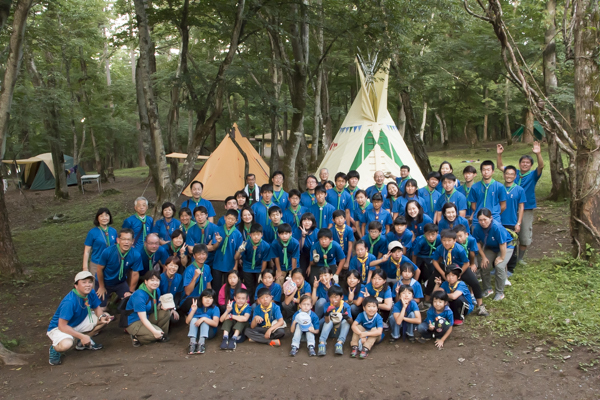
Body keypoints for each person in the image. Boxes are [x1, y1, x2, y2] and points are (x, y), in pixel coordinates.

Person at [47, 271, 113, 365]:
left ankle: (81, 344)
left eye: (90, 282)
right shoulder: (69, 302)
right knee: (66, 344)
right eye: (84, 282)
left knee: (105, 318)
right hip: (59, 328)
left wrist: (102, 317)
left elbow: (97, 308)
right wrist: (82, 336)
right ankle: (54, 349)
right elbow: (62, 326)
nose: (88, 285)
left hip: (78, 321)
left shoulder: (91, 292)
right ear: (76, 285)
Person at [497, 141, 544, 264]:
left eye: (528, 163)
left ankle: (520, 258)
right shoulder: (514, 173)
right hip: (510, 207)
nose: (525, 164)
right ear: (519, 164)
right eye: (523, 162)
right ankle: (507, 255)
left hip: (526, 207)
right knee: (507, 230)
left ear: (530, 165)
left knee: (524, 232)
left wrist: (538, 154)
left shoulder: (533, 175)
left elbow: (541, 167)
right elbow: (500, 166)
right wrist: (499, 154)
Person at [472, 208, 514, 301]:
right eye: (480, 220)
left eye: (485, 219)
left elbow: (503, 244)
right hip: (491, 247)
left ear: (491, 218)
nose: (483, 222)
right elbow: (478, 243)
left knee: (499, 266)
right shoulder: (477, 228)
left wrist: (501, 257)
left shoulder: (497, 227)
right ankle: (488, 289)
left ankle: (500, 292)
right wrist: (483, 257)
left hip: (506, 247)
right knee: (484, 264)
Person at [96, 229, 143, 309]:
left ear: (133, 241)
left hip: (120, 282)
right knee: (101, 308)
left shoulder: (136, 255)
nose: (126, 242)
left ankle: (124, 318)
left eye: (129, 239)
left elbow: (135, 274)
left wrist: (130, 291)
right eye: (123, 239)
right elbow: (99, 269)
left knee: (129, 302)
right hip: (105, 281)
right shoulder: (108, 252)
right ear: (118, 240)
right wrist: (101, 286)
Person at [125, 270, 171, 347]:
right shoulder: (139, 295)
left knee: (166, 313)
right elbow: (142, 318)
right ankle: (137, 337)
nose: (155, 283)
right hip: (135, 321)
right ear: (146, 281)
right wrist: (154, 332)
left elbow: (155, 305)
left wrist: (161, 307)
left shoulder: (156, 290)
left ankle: (161, 335)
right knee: (154, 334)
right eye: (152, 280)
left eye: (157, 280)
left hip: (148, 316)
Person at [207, 209, 243, 294]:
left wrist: (235, 266)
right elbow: (214, 247)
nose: (230, 221)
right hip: (217, 263)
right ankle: (216, 304)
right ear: (225, 218)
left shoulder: (237, 234)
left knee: (228, 287)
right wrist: (218, 242)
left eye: (233, 219)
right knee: (216, 286)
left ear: (236, 221)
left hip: (230, 264)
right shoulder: (218, 230)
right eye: (228, 218)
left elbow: (237, 252)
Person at [500, 165, 527, 276]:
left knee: (511, 245)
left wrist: (518, 223)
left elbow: (521, 207)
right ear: (504, 175)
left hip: (512, 221)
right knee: (500, 244)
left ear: (515, 176)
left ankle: (510, 268)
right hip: (500, 221)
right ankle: (500, 265)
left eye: (512, 174)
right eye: (507, 173)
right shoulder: (500, 188)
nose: (509, 176)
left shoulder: (519, 190)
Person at [236, 223, 270, 303]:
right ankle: (249, 305)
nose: (256, 237)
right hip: (247, 268)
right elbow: (236, 258)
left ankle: (257, 304)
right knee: (249, 287)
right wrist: (239, 251)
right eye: (254, 234)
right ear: (250, 235)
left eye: (258, 234)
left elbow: (265, 261)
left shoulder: (266, 246)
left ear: (262, 234)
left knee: (258, 287)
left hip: (259, 268)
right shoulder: (246, 243)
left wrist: (262, 273)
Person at [468, 160, 507, 225]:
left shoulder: (499, 186)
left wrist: (494, 213)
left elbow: (503, 206)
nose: (486, 172)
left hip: (494, 219)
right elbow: (473, 206)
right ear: (481, 171)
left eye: (488, 170)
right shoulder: (474, 187)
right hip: (478, 220)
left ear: (493, 171)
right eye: (484, 170)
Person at [318, 285, 353, 356]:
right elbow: (327, 321)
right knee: (329, 321)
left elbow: (351, 322)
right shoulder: (327, 305)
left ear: (341, 297)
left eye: (336, 297)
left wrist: (347, 317)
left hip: (339, 330)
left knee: (345, 322)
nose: (333, 299)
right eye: (331, 297)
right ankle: (322, 343)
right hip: (329, 331)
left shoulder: (345, 306)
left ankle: (340, 343)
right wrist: (327, 313)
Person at [180, 244, 213, 315]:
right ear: (194, 256)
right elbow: (187, 292)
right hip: (188, 300)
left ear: (207, 255)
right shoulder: (189, 270)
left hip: (202, 298)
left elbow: (208, 287)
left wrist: (210, 298)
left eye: (203, 254)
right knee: (200, 302)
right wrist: (195, 277)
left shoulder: (207, 267)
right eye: (199, 254)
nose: (201, 257)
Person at [83, 208, 117, 275]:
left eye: (106, 215)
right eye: (101, 216)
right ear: (97, 218)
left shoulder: (113, 231)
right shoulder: (92, 232)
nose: (104, 218)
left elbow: (116, 247)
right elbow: (87, 251)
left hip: (111, 264)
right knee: (96, 284)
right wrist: (85, 268)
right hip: (97, 264)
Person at [185, 289, 220, 354]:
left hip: (209, 332)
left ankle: (201, 343)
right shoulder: (196, 306)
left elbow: (215, 323)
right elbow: (187, 321)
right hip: (196, 331)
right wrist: (192, 311)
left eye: (210, 298)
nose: (208, 300)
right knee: (194, 319)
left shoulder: (215, 308)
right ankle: (192, 343)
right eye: (206, 297)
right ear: (201, 298)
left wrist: (204, 318)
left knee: (204, 321)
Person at [411, 223, 441, 289]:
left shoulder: (440, 239)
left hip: (432, 257)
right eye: (428, 234)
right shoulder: (420, 240)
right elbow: (414, 254)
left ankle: (428, 287)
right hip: (420, 256)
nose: (430, 237)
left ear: (437, 233)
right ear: (424, 233)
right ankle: (416, 287)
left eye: (433, 234)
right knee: (418, 272)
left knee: (431, 273)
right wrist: (415, 266)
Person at [159, 256, 184, 321]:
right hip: (161, 304)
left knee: (174, 319)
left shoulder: (179, 277)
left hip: (172, 303)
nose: (173, 268)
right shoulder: (160, 278)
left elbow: (178, 294)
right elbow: (158, 295)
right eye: (171, 265)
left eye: (176, 266)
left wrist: (173, 308)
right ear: (166, 266)